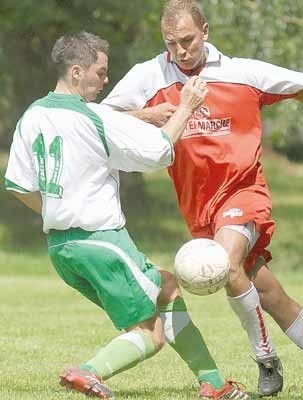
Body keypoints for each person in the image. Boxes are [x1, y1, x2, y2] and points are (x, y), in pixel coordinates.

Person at [102, 1, 303, 399]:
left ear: (205, 31)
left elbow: (299, 86)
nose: (181, 51)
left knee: (227, 262)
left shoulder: (241, 71)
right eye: (172, 44)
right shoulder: (148, 76)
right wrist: (150, 115)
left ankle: (265, 359)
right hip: (198, 208)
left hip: (243, 191)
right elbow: (101, 116)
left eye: (188, 40)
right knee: (268, 294)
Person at [4, 31, 250, 400]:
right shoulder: (95, 117)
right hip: (103, 242)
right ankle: (87, 372)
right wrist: (187, 106)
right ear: (76, 72)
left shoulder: (32, 116)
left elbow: (18, 187)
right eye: (100, 73)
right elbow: (158, 150)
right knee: (149, 334)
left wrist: (58, 212)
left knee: (166, 285)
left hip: (62, 249)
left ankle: (213, 383)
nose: (106, 81)